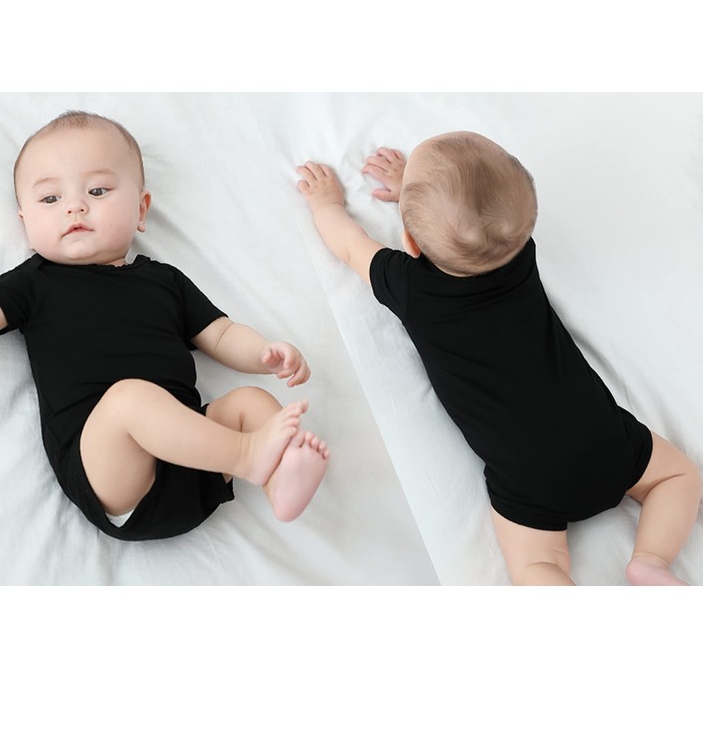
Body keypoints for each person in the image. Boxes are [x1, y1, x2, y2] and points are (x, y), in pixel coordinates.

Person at [0, 110, 329, 542]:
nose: (75, 206)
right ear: (26, 226)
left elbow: (220, 333)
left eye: (97, 190)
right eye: (50, 199)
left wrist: (262, 354)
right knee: (128, 399)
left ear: (141, 210)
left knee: (252, 401)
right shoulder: (33, 284)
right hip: (114, 474)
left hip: (196, 460)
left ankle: (280, 482)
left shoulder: (165, 281)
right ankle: (249, 455)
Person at [297, 131, 700, 585]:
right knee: (678, 477)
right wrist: (419, 190)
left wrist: (326, 205)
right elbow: (478, 218)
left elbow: (350, 245)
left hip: (530, 483)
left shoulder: (409, 287)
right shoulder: (519, 252)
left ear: (410, 242)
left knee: (537, 567)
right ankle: (651, 561)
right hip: (605, 442)